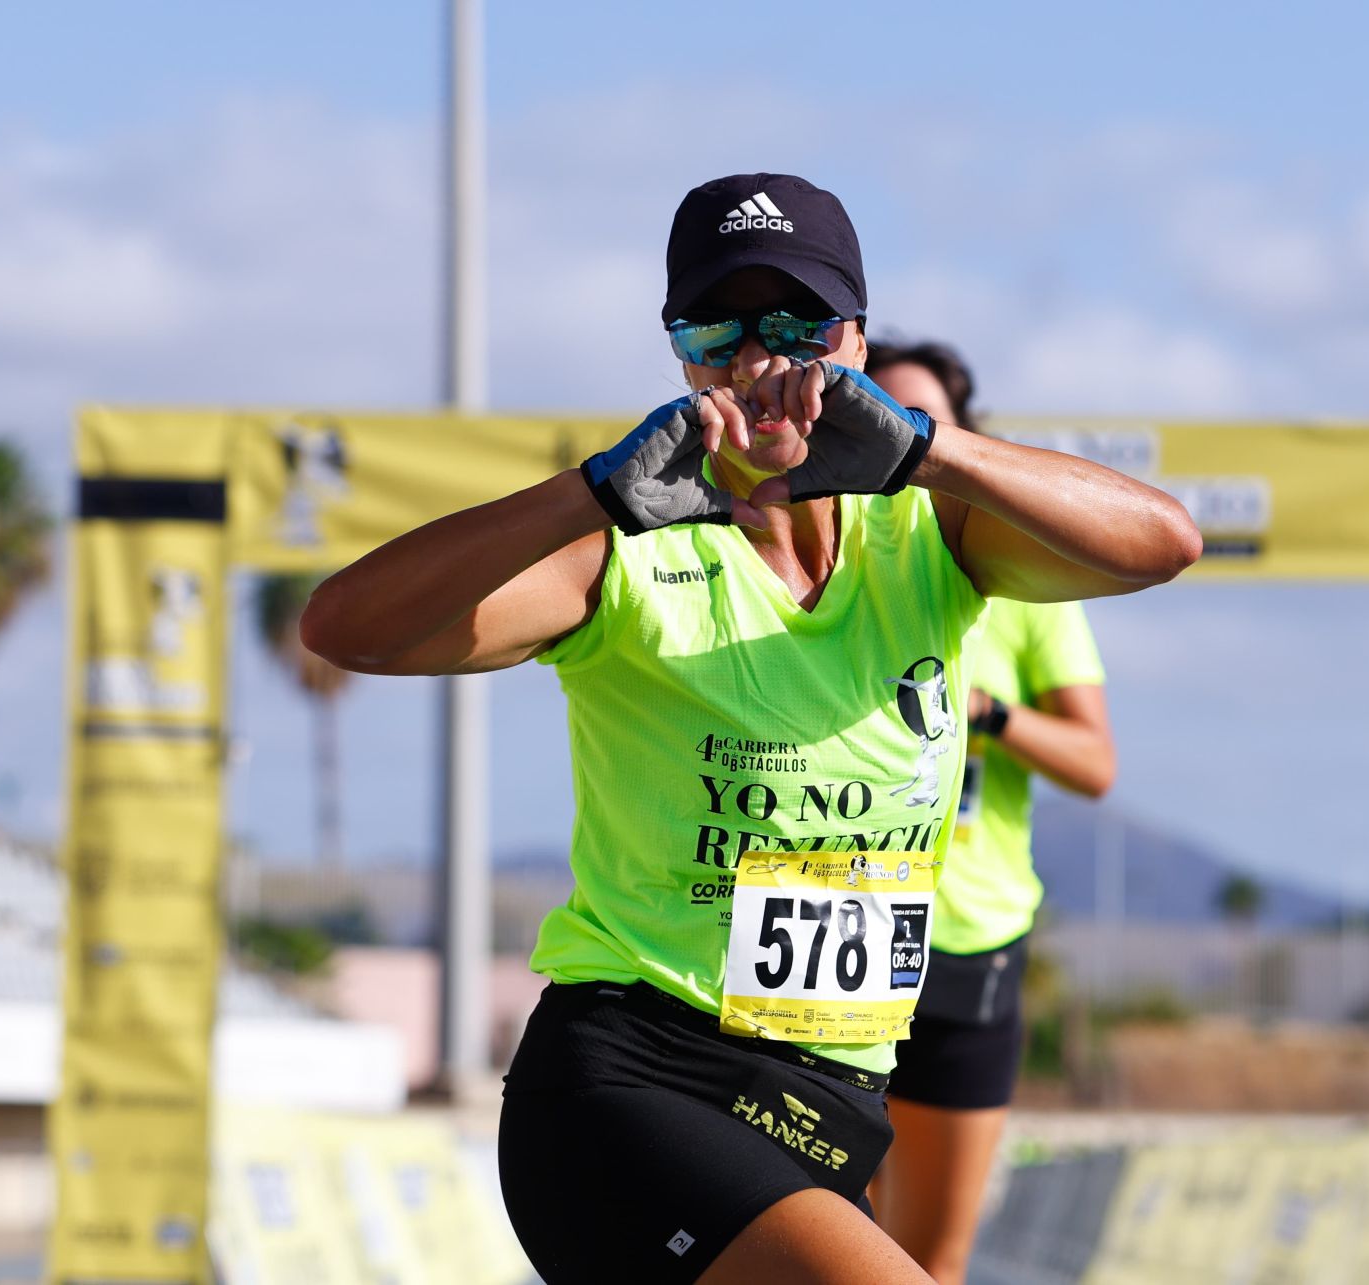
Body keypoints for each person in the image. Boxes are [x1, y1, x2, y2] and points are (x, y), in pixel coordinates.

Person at [301, 172, 1201, 1284]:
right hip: (637, 1089)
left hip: (828, 1101)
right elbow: (348, 627)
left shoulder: (931, 537)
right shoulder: (626, 548)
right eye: (717, 329)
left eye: (798, 328)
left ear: (857, 342)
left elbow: (1164, 542)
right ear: (682, 355)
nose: (760, 363)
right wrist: (589, 492)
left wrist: (926, 449)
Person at [864, 342, 1116, 1283]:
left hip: (966, 943)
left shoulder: (1013, 578)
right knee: (818, 1246)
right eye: (869, 412)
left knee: (928, 1261)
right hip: (826, 929)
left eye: (919, 423)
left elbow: (1096, 763)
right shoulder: (802, 560)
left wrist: (991, 716)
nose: (886, 438)